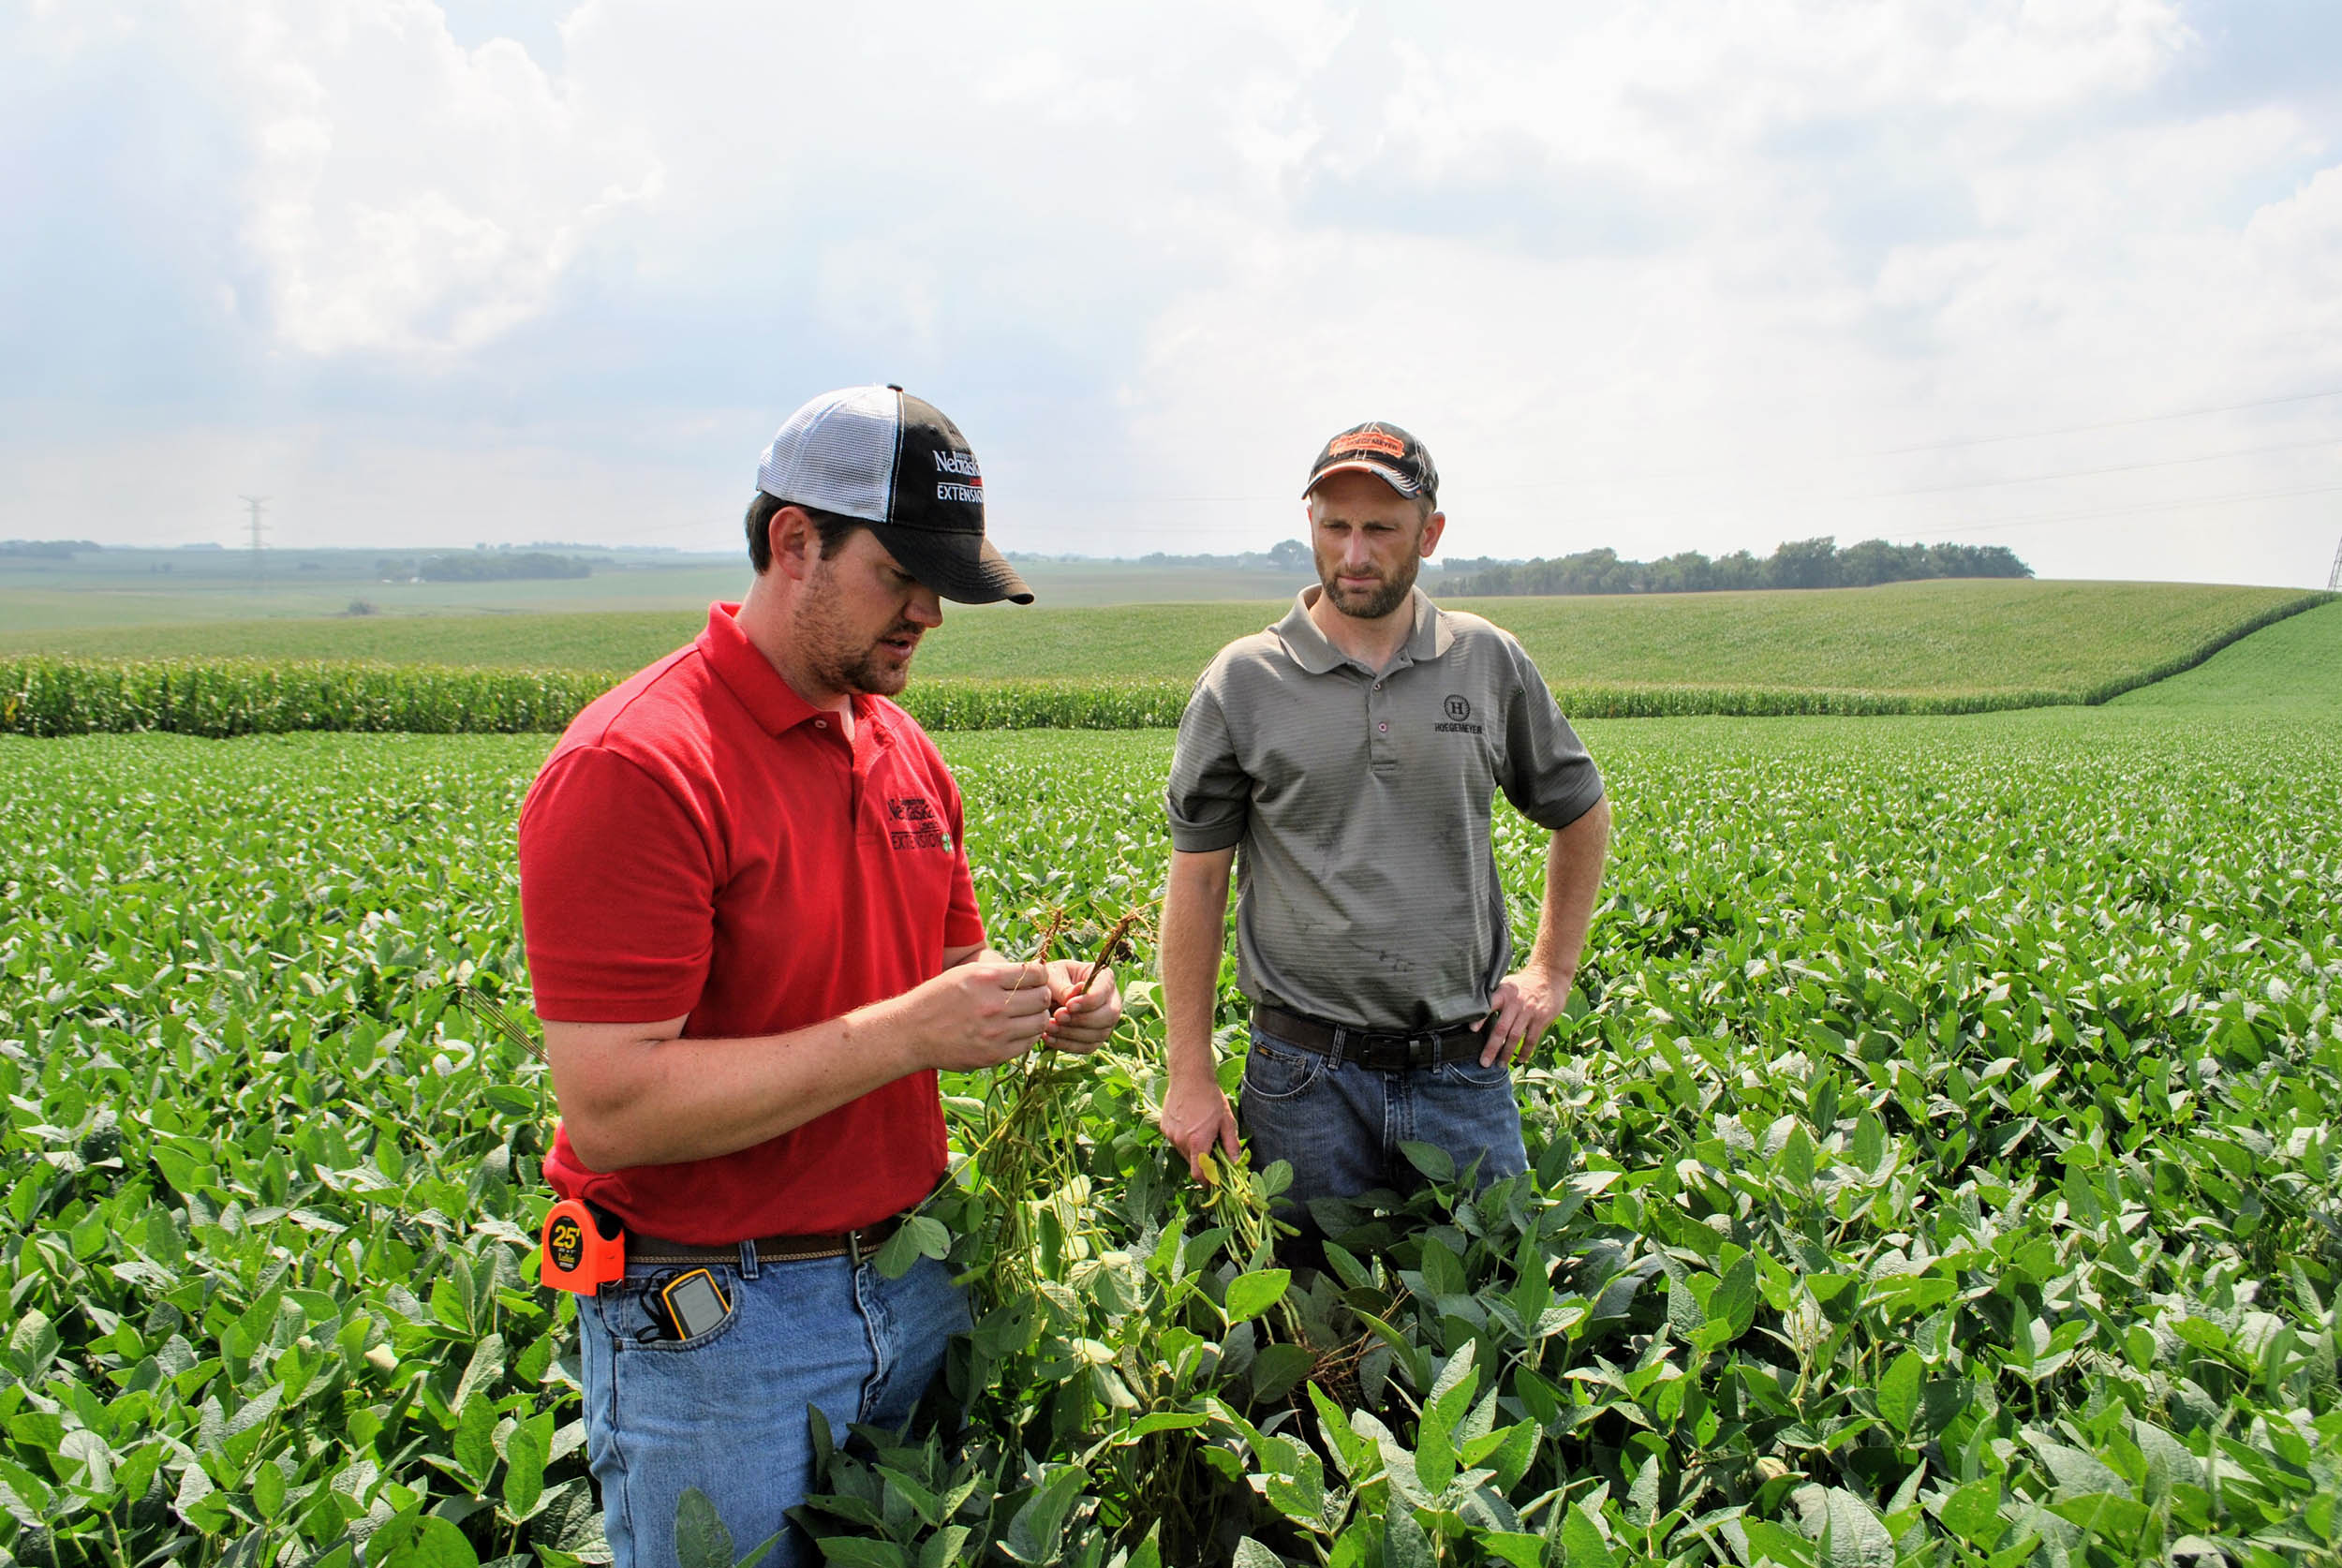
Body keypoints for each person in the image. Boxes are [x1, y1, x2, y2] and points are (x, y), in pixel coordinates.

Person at [517, 385, 1124, 1568]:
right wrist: (908, 1033)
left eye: (942, 586)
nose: (928, 616)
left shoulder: (900, 747)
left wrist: (1043, 996)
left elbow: (948, 974)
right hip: (714, 1325)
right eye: (902, 577)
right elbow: (613, 1106)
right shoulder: (636, 764)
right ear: (794, 542)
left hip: (911, 1282)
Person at [1156, 420, 1608, 1235]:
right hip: (1301, 1078)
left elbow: (1580, 809)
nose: (1354, 555)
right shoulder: (1243, 680)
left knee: (1498, 1301)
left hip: (1463, 1070)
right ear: (1312, 527)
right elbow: (1198, 879)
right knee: (1306, 1327)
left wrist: (1552, 971)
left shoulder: (1488, 660)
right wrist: (1189, 1068)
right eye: (1335, 527)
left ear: (1429, 534)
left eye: (1380, 529)